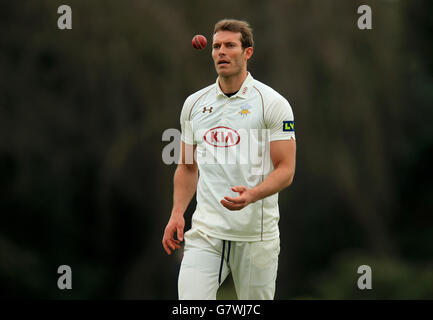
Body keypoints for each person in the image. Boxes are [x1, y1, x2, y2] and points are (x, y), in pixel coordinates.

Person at [162, 19, 296, 300]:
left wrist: (253, 194)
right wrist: (177, 213)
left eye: (230, 45)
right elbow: (187, 166)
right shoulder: (194, 105)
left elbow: (286, 170)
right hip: (206, 234)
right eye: (216, 46)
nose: (221, 51)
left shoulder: (273, 103)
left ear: (247, 53)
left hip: (256, 237)